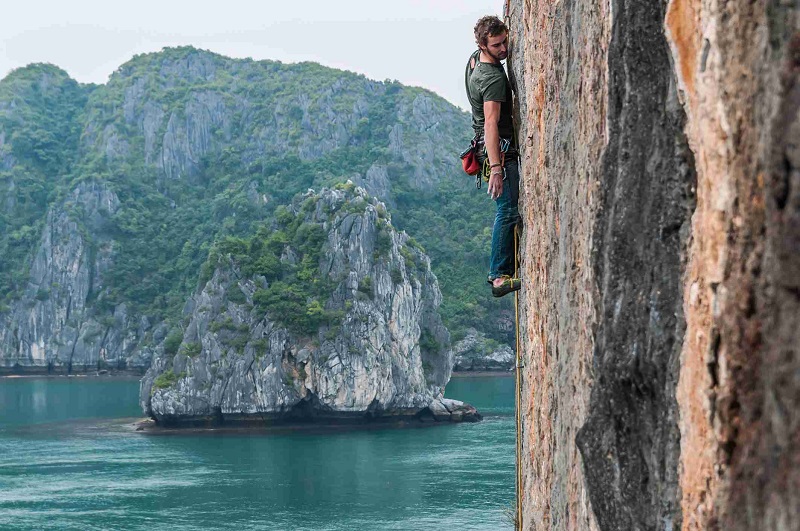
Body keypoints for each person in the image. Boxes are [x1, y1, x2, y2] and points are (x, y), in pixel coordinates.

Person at [465, 15, 521, 298]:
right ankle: (498, 275)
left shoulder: (475, 61)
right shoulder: (492, 79)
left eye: (505, 41)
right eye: (497, 45)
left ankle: (501, 270)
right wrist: (497, 168)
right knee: (508, 210)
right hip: (500, 151)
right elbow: (490, 122)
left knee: (507, 210)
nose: (504, 49)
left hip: (485, 148)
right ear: (483, 45)